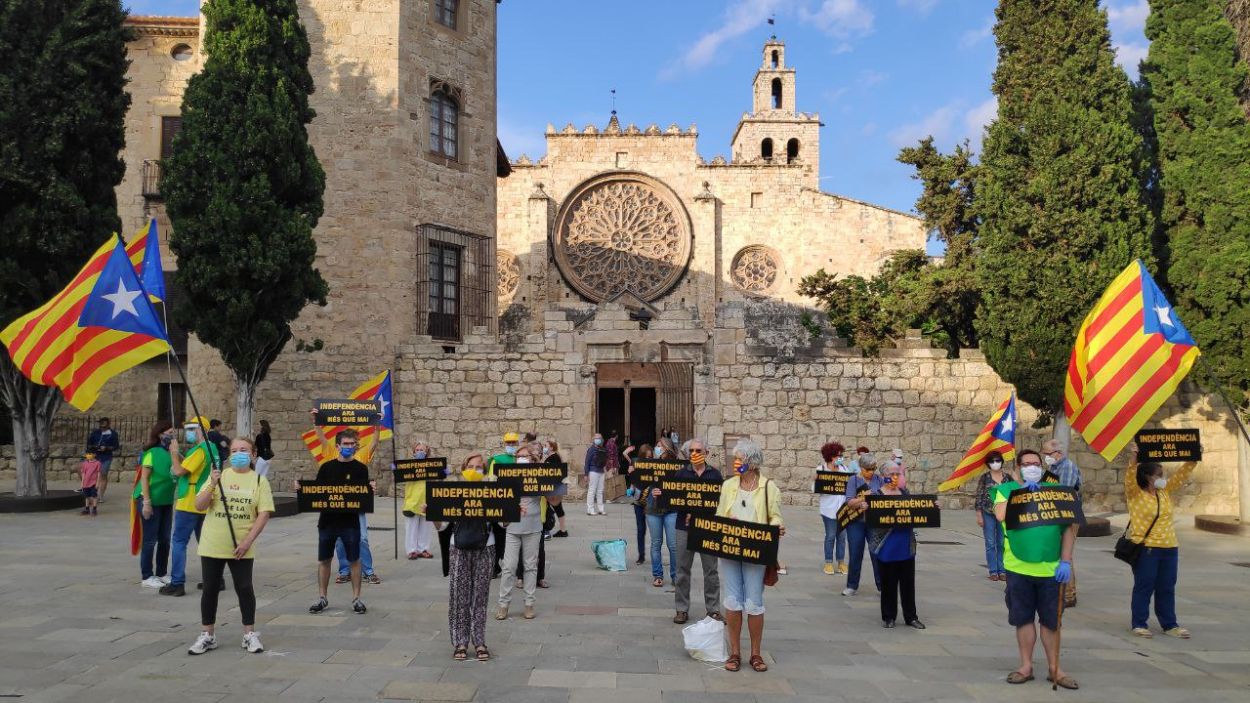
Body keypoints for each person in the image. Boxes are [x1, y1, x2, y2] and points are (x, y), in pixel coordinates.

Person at [993, 449, 1078, 690]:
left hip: (1050, 569)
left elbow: (1068, 530)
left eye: (1036, 463)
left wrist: (1066, 561)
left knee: (1052, 622)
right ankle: (1026, 666)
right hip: (1018, 567)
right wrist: (1021, 496)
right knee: (1023, 619)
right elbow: (1000, 515)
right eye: (1027, 464)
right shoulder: (1007, 490)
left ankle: (1055, 668)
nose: (1033, 467)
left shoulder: (1056, 493)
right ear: (1018, 468)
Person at [187, 437, 274, 655]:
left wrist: (247, 542)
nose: (238, 454)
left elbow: (263, 514)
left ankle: (249, 634)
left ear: (253, 454)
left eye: (243, 450)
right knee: (210, 588)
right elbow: (199, 504)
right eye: (234, 450)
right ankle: (208, 634)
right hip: (212, 543)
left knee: (244, 588)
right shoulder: (219, 476)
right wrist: (212, 485)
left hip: (241, 545)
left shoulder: (258, 481)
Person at [717, 439, 783, 673]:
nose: (736, 463)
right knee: (733, 599)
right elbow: (719, 515)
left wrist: (777, 526)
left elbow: (775, 516)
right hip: (731, 549)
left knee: (754, 601)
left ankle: (756, 653)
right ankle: (735, 651)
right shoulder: (728, 486)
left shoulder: (769, 488)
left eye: (740, 459)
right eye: (735, 459)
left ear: (751, 463)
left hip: (756, 551)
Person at [1124, 442, 1196, 639]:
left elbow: (1180, 477)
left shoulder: (1164, 493)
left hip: (1170, 548)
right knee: (1144, 586)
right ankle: (1139, 623)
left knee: (1167, 587)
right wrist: (1133, 459)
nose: (1162, 479)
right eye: (1158, 475)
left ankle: (1170, 624)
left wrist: (1193, 458)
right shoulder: (1136, 494)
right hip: (1147, 549)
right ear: (1147, 476)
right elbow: (1130, 478)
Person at [302, 428, 370, 615]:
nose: (349, 447)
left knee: (354, 560)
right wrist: (301, 490)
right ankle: (322, 597)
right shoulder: (326, 468)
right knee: (324, 559)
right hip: (327, 521)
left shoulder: (361, 468)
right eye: (345, 444)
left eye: (352, 444)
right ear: (338, 446)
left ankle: (356, 598)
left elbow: (363, 497)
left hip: (350, 522)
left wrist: (369, 490)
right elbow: (316, 492)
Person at [437, 453, 498, 661]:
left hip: (485, 548)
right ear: (463, 469)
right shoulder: (454, 493)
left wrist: (515, 513)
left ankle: (479, 641)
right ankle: (460, 642)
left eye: (479, 467)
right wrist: (432, 515)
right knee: (459, 597)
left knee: (480, 597)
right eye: (471, 466)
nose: (475, 470)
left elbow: (504, 523)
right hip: (459, 549)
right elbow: (442, 525)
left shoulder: (493, 493)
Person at [162, 420, 221, 597]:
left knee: (179, 542)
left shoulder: (199, 449)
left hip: (189, 499)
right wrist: (180, 454)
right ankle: (215, 579)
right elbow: (190, 465)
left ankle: (177, 582)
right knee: (206, 542)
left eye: (191, 429)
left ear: (201, 430)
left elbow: (180, 471)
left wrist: (173, 453)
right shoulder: (212, 448)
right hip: (204, 498)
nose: (188, 432)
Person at [672, 438, 722, 624]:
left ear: (706, 453)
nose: (695, 453)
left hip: (708, 528)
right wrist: (659, 495)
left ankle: (713, 609)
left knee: (711, 570)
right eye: (691, 450)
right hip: (683, 528)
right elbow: (674, 500)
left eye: (699, 450)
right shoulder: (680, 475)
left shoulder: (715, 476)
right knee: (682, 569)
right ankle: (682, 609)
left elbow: (719, 502)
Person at [868, 462, 924, 629]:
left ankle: (911, 617)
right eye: (892, 473)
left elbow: (916, 511)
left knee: (908, 583)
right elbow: (873, 520)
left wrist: (931, 508)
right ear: (883, 475)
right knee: (888, 583)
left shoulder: (904, 493)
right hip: (886, 546)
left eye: (897, 473)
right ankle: (888, 616)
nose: (895, 476)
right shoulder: (876, 496)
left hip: (905, 545)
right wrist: (866, 508)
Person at [498, 444, 543, 620]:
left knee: (531, 566)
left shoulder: (540, 476)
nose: (521, 459)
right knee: (509, 567)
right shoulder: (508, 476)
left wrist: (559, 486)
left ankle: (529, 604)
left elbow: (554, 500)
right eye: (519, 456)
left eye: (525, 456)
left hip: (533, 525)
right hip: (512, 526)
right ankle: (503, 604)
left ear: (532, 459)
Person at [135, 421, 176, 588]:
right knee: (150, 539)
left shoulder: (171, 453)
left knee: (165, 539)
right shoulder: (152, 452)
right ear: (160, 434)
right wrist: (147, 502)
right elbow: (144, 477)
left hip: (166, 500)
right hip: (150, 500)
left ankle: (161, 572)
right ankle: (147, 576)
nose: (172, 435)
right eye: (170, 432)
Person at [1043, 439, 1081, 607]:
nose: (1045, 457)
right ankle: (1060, 589)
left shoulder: (1067, 467)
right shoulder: (1053, 467)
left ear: (1057, 453)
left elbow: (1062, 492)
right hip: (1055, 514)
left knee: (1066, 554)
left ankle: (1069, 594)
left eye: (1047, 454)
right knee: (1058, 552)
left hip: (1067, 514)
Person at [841, 453, 883, 596]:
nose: (871, 472)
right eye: (868, 469)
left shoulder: (879, 480)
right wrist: (863, 500)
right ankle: (852, 585)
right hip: (856, 523)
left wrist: (872, 502)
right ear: (861, 468)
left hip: (874, 523)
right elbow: (849, 501)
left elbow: (885, 499)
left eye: (873, 468)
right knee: (855, 554)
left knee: (876, 554)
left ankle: (882, 585)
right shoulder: (853, 480)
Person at [816, 442, 853, 575]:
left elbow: (850, 486)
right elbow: (816, 489)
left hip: (842, 509)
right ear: (831, 456)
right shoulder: (822, 469)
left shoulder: (844, 469)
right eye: (839, 455)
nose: (841, 458)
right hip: (828, 510)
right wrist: (816, 481)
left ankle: (841, 562)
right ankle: (828, 562)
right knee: (831, 535)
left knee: (842, 537)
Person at [974, 451, 1012, 582]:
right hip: (988, 512)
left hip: (1005, 514)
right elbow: (979, 496)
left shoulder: (1008, 478)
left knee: (1002, 543)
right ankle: (993, 571)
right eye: (992, 461)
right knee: (990, 543)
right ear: (988, 464)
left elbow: (1013, 494)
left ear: (1001, 461)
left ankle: (1002, 570)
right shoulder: (985, 478)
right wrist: (979, 515)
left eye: (997, 460)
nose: (995, 463)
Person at [646, 437, 679, 587]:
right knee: (656, 543)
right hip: (654, 508)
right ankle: (657, 575)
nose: (657, 448)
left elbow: (681, 488)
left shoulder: (677, 466)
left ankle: (675, 575)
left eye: (660, 446)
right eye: (656, 446)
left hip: (671, 508)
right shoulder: (650, 465)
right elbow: (643, 483)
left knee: (673, 545)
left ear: (667, 448)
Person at [487, 431, 521, 576]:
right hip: (501, 502)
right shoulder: (497, 459)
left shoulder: (522, 459)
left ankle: (516, 567)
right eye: (509, 443)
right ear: (504, 443)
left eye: (514, 443)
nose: (512, 445)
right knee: (499, 535)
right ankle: (495, 566)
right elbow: (491, 481)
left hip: (519, 502)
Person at [403, 441, 435, 560]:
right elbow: (400, 475)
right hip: (412, 500)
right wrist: (395, 469)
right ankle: (411, 550)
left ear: (426, 451)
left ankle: (423, 549)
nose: (420, 452)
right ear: (414, 452)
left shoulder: (433, 465)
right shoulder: (408, 465)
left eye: (422, 450)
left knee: (426, 527)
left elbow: (438, 477)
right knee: (411, 527)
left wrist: (443, 472)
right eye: (418, 450)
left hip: (427, 500)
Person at [623, 442, 650, 565]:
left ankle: (656, 556)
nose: (648, 460)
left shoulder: (656, 466)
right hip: (639, 502)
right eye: (646, 457)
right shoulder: (635, 464)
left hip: (651, 502)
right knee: (641, 529)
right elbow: (634, 480)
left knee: (656, 534)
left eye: (650, 457)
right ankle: (641, 556)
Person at [87, 417, 120, 502]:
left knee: (103, 474)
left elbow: (116, 446)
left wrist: (107, 448)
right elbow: (89, 444)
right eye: (101, 424)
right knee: (91, 475)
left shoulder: (113, 434)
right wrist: (95, 447)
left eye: (104, 425)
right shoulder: (95, 433)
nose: (102, 426)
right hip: (95, 456)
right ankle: (92, 493)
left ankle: (100, 496)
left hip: (106, 457)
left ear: (108, 424)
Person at [542, 440, 569, 538]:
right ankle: (562, 530)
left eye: (546, 445)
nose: (544, 447)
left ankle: (561, 530)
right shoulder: (552, 457)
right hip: (552, 486)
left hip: (553, 487)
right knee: (557, 508)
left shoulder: (553, 457)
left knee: (557, 508)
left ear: (551, 447)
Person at [584, 432, 608, 515]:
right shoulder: (591, 449)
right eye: (596, 438)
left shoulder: (603, 449)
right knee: (592, 490)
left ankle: (601, 509)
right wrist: (586, 474)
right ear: (593, 439)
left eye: (600, 438)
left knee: (600, 491)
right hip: (593, 471)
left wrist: (605, 470)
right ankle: (590, 509)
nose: (598, 439)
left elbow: (605, 460)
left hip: (601, 471)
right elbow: (587, 462)